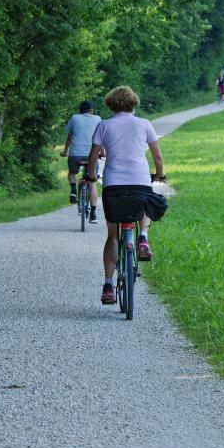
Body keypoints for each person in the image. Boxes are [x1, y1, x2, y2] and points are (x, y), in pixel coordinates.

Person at [85, 86, 166, 305]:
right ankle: (142, 239)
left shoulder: (103, 125)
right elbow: (157, 156)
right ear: (133, 103)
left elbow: (93, 156)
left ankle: (108, 285)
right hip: (139, 180)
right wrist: (160, 175)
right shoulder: (144, 125)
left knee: (113, 235)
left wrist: (91, 174)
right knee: (146, 202)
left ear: (110, 104)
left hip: (113, 185)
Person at [60, 100, 102, 224]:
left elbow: (70, 136)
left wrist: (65, 151)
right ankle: (93, 214)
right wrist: (103, 152)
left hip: (76, 155)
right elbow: (100, 139)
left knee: (72, 173)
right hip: (92, 156)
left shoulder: (74, 118)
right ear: (91, 110)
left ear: (80, 110)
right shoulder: (98, 118)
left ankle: (73, 191)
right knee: (92, 182)